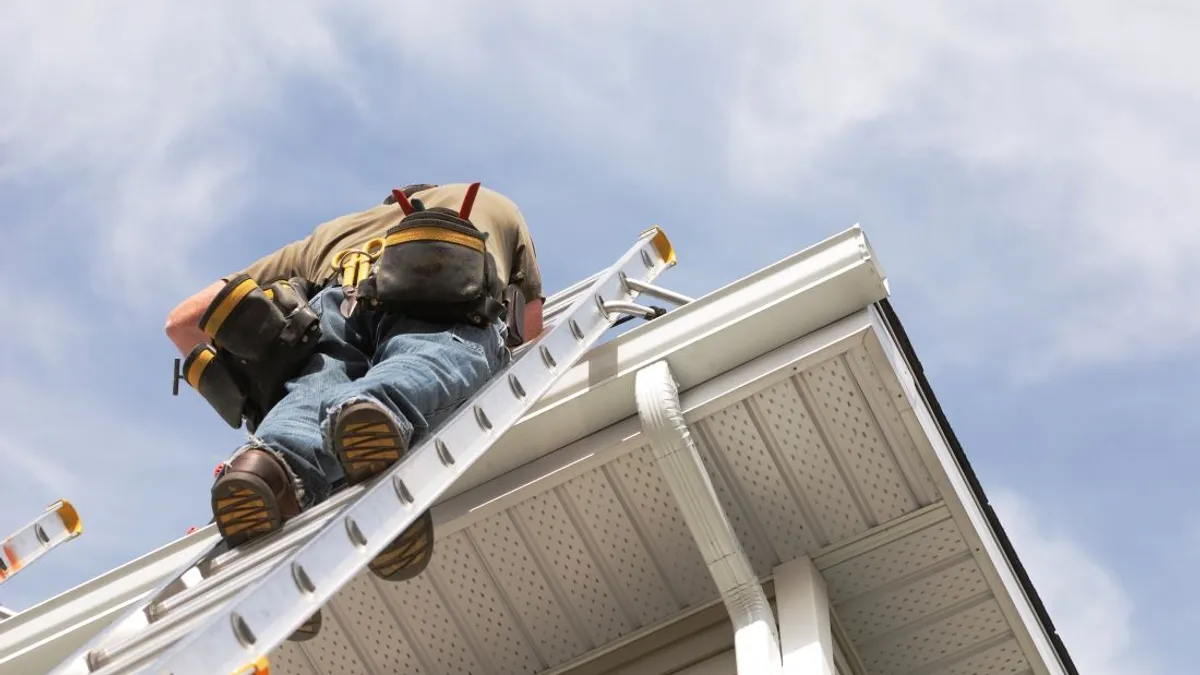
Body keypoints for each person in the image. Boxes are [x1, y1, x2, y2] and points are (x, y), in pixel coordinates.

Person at [166, 182, 544, 587]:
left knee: (313, 391)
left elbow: (184, 320)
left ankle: (265, 467)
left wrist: (248, 391)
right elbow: (534, 338)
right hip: (443, 283)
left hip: (334, 303)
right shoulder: (493, 204)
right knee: (432, 355)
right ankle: (377, 411)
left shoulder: (330, 235)